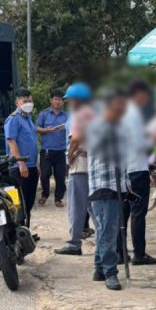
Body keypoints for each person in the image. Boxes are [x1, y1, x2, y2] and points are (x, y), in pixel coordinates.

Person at [86, 89, 130, 291]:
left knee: (104, 229)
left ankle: (99, 269)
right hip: (103, 186)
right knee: (108, 232)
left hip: (115, 185)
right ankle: (110, 272)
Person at [121, 80, 156, 265]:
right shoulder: (134, 115)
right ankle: (139, 254)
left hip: (125, 171)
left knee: (124, 213)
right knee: (138, 213)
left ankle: (120, 252)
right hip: (136, 169)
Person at [55, 82, 94, 256]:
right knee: (95, 207)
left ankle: (74, 243)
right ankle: (108, 241)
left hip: (79, 165)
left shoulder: (78, 115)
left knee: (76, 207)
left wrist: (69, 156)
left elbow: (75, 138)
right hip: (92, 165)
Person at [4, 88, 40, 224]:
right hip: (18, 168)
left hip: (31, 166)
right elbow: (11, 141)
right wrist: (20, 163)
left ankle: (25, 233)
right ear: (17, 103)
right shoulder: (13, 119)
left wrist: (36, 164)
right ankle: (16, 234)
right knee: (17, 203)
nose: (28, 103)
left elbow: (32, 143)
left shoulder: (28, 118)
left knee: (29, 202)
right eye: (25, 101)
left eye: (30, 101)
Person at [36, 89, 69, 207]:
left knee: (60, 176)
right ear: (51, 101)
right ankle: (44, 194)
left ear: (63, 102)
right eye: (55, 99)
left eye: (60, 100)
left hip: (61, 151)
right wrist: (46, 130)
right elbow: (36, 128)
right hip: (47, 151)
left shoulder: (67, 116)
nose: (58, 102)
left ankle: (58, 198)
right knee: (45, 174)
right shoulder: (44, 114)